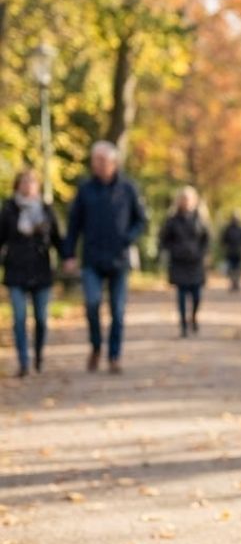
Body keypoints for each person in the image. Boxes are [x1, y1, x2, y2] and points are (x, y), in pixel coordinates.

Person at [62, 141, 147, 373]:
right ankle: (97, 346)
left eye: (101, 161)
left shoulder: (128, 188)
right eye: (94, 161)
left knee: (117, 312)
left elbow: (141, 220)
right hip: (92, 258)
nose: (97, 165)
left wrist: (128, 237)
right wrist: (68, 254)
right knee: (92, 304)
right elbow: (74, 225)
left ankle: (114, 355)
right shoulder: (85, 189)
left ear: (113, 162)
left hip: (119, 258)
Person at [0, 170, 63, 376]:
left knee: (41, 319)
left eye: (32, 182)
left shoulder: (46, 209)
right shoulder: (9, 209)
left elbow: (57, 238)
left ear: (38, 186)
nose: (28, 186)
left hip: (41, 270)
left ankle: (38, 356)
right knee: (19, 317)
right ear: (17, 186)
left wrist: (68, 257)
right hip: (16, 270)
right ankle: (24, 362)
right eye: (24, 182)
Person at [158, 185, 210, 338]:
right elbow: (164, 239)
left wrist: (202, 253)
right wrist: (172, 251)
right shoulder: (172, 220)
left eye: (188, 199)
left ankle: (193, 317)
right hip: (179, 262)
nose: (186, 202)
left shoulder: (201, 219)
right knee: (181, 295)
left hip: (196, 262)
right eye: (183, 199)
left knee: (196, 295)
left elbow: (207, 239)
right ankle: (183, 324)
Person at [220, 211, 241, 292]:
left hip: (237, 252)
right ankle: (234, 283)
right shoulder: (231, 229)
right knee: (234, 269)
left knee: (236, 269)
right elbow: (223, 240)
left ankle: (236, 283)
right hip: (233, 252)